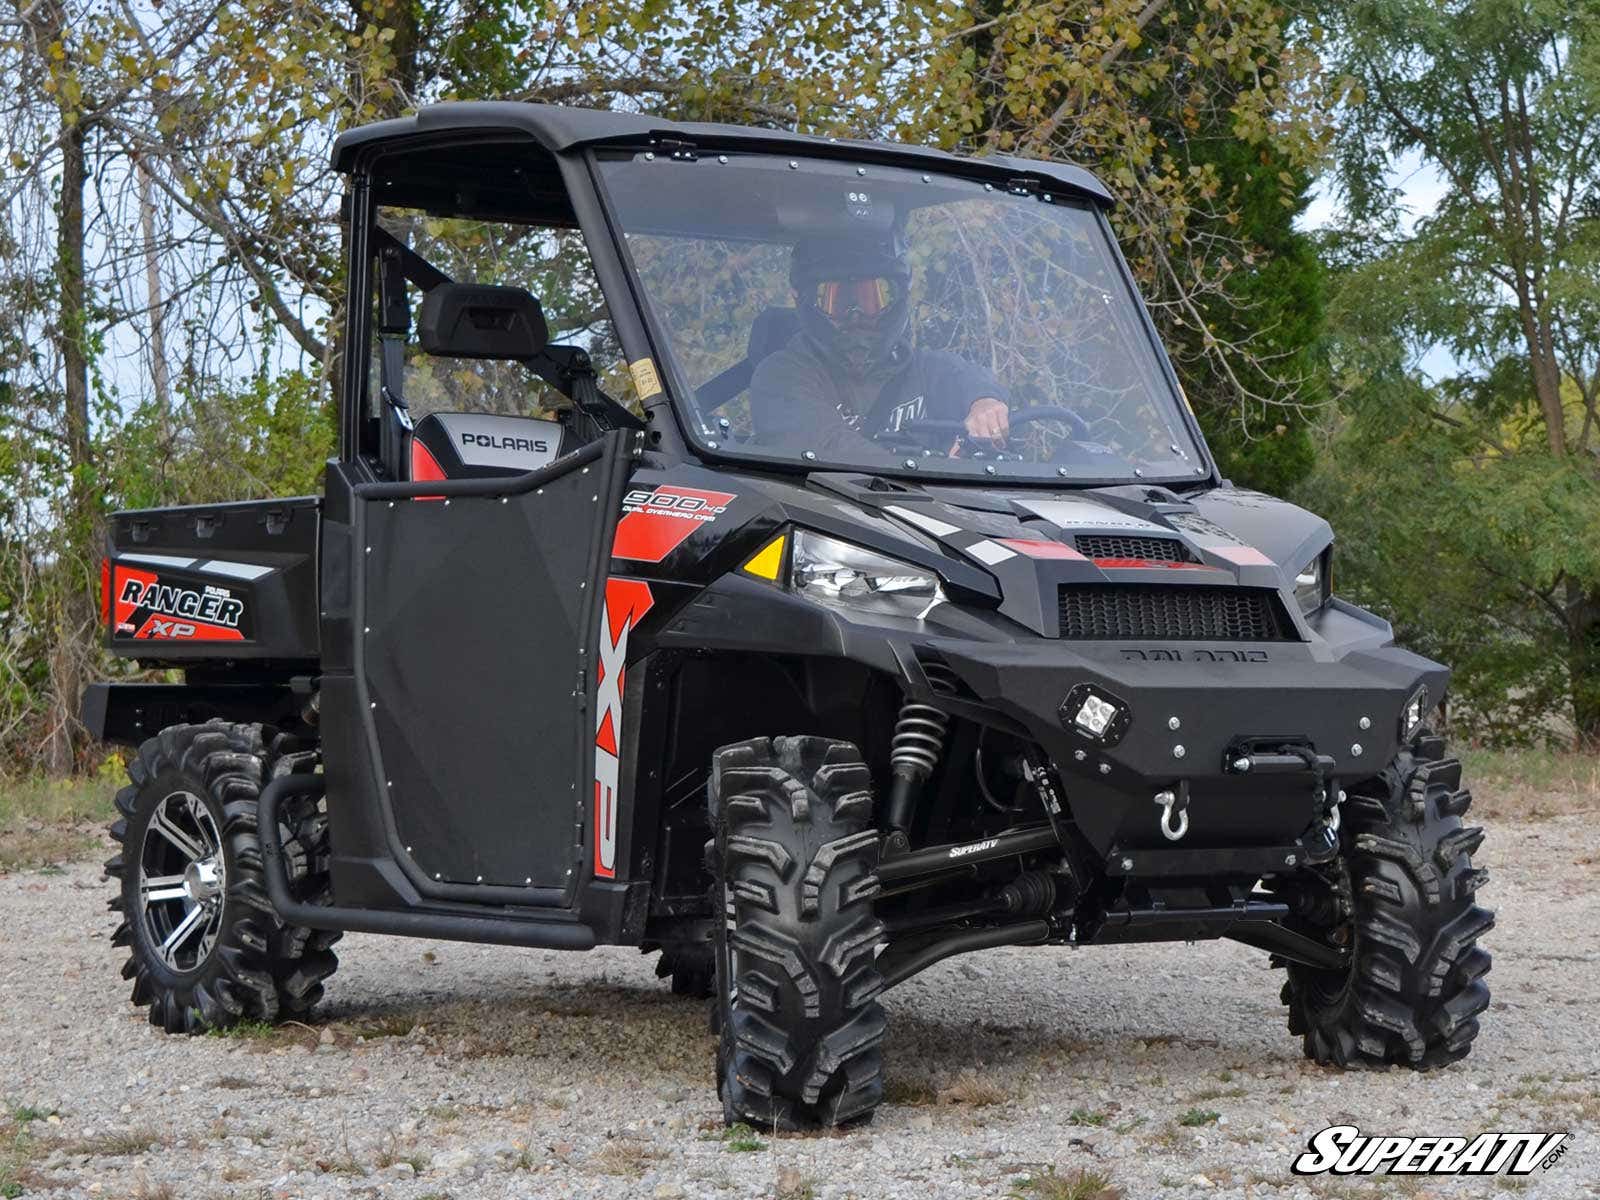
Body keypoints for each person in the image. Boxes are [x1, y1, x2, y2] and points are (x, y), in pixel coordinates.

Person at [749, 230, 1010, 457]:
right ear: (802, 300)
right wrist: (939, 470)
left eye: (872, 298)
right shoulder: (780, 378)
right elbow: (829, 448)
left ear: (900, 296)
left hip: (930, 510)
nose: (856, 315)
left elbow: (969, 379)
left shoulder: (925, 370)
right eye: (836, 301)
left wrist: (985, 406)